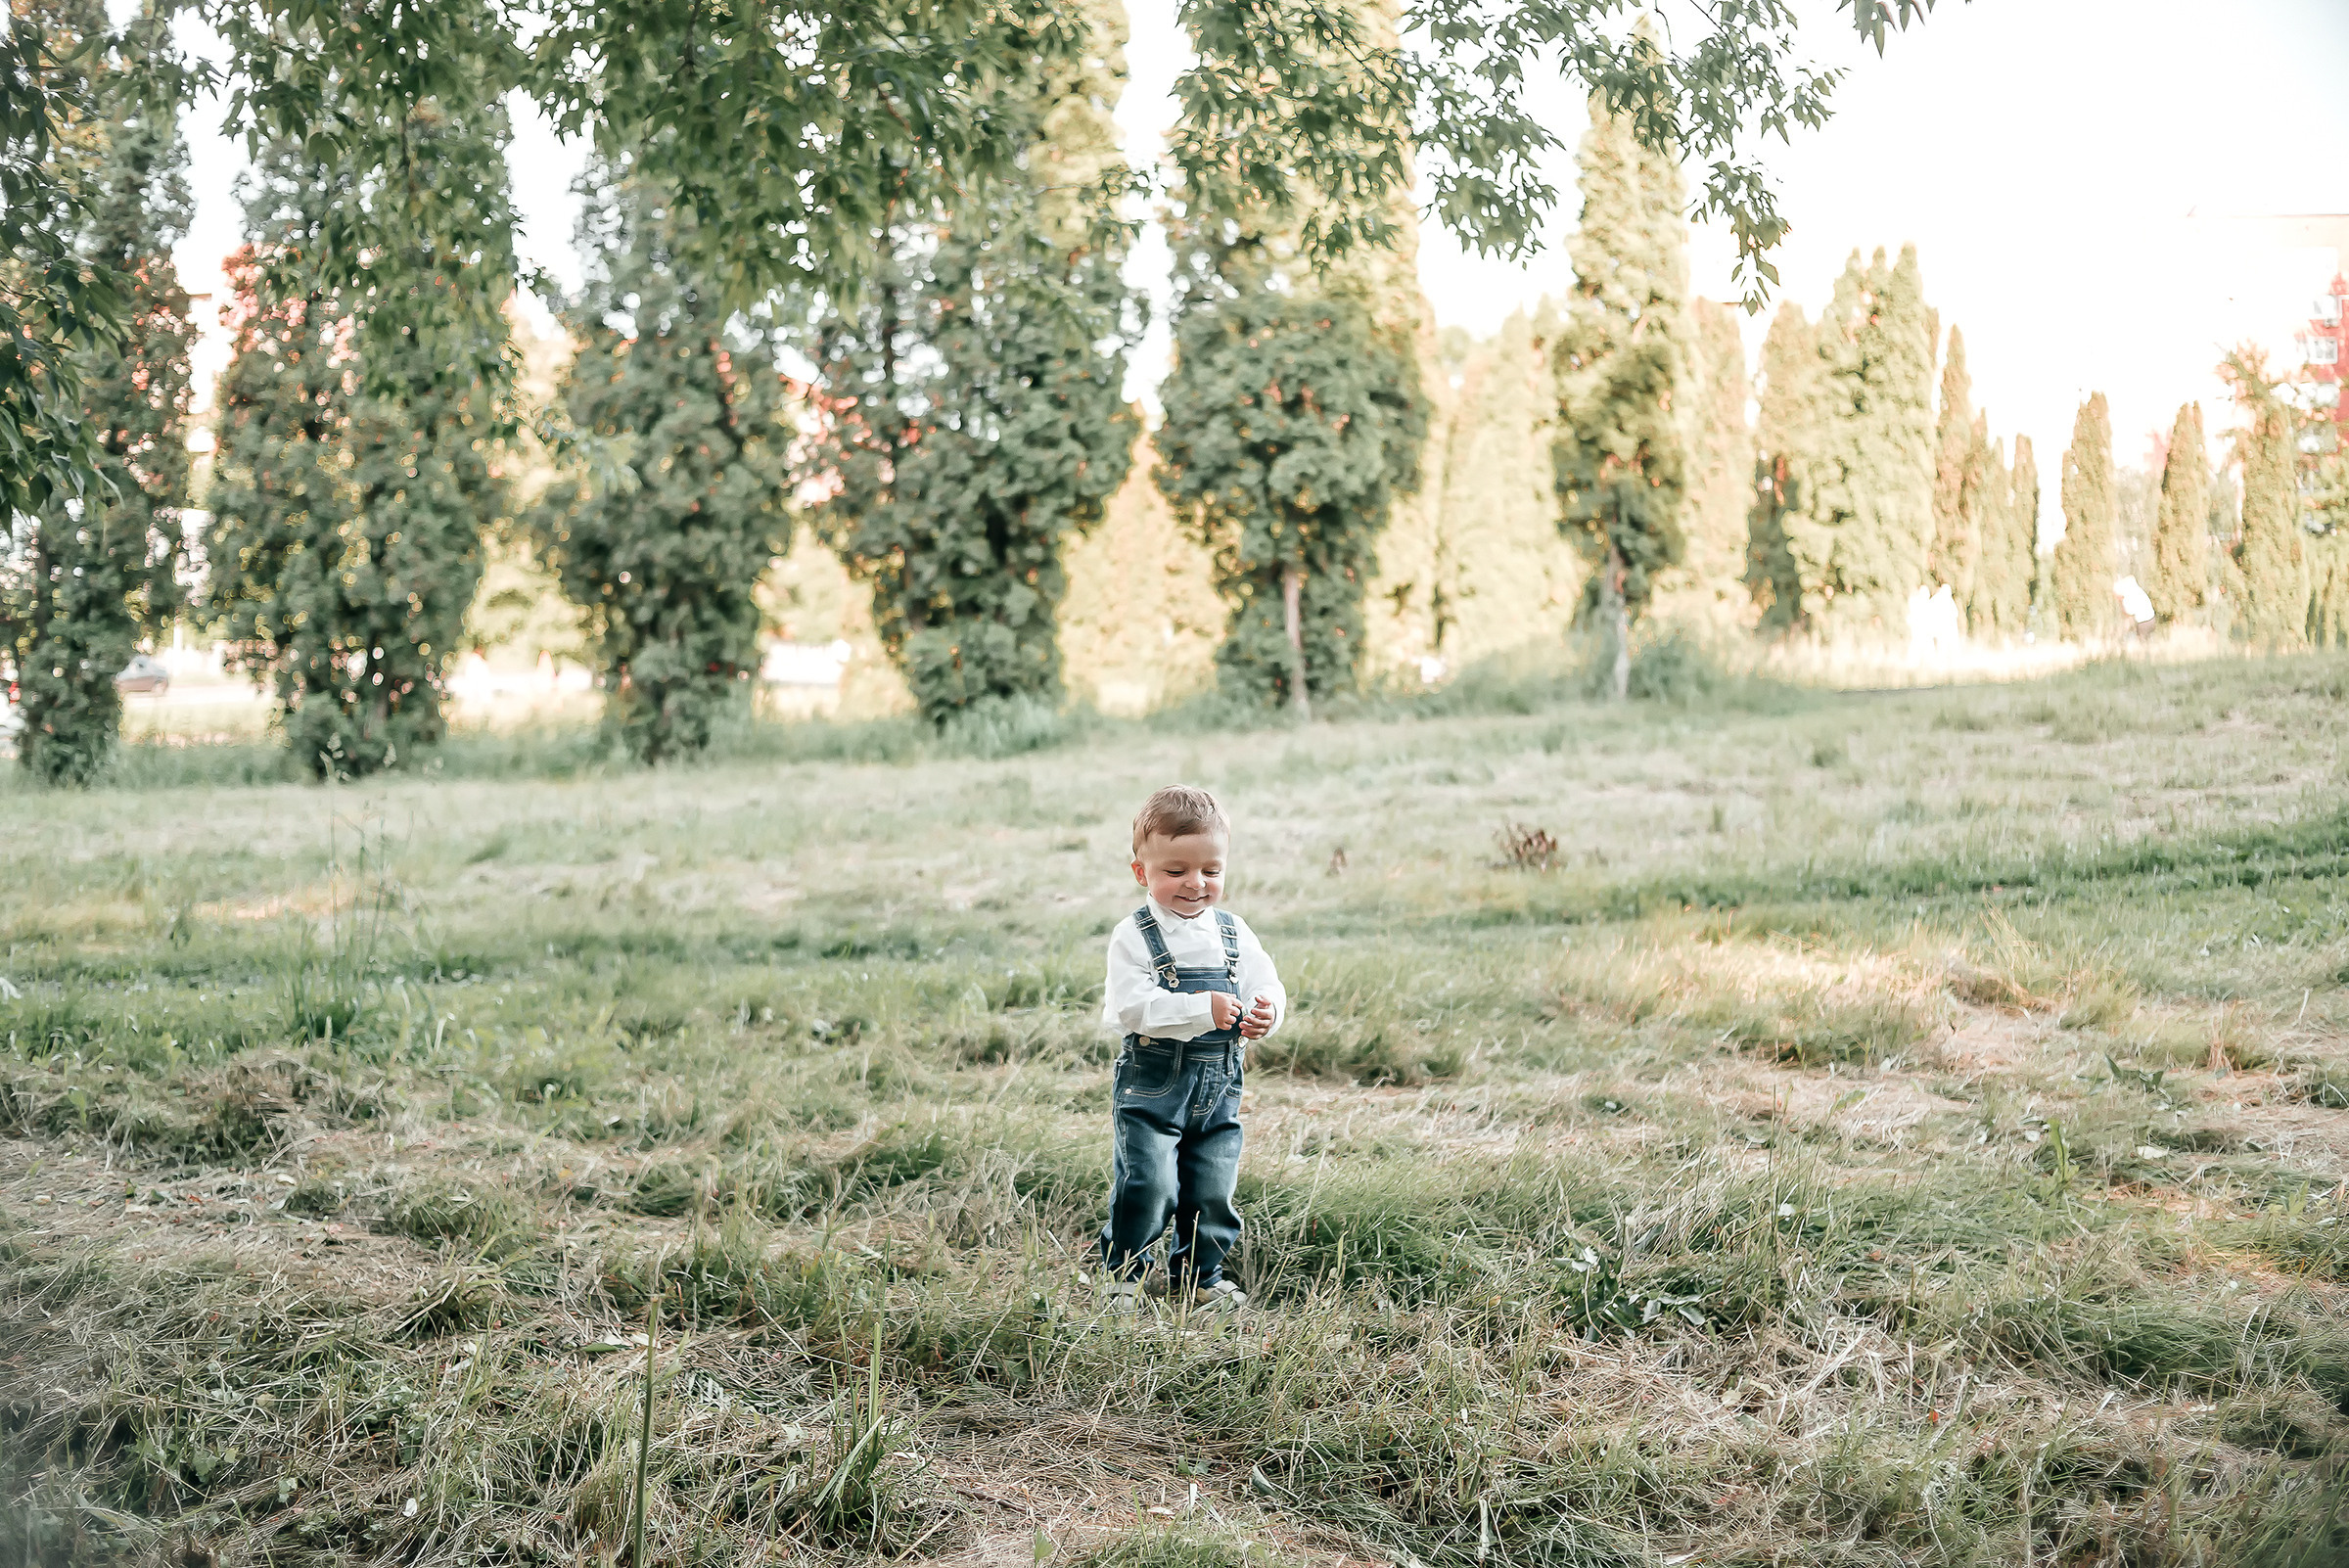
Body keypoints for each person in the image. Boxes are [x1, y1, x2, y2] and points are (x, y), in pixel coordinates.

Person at [1096, 784, 1285, 1315]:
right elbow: (1130, 1008)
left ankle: (1200, 1275)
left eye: (1211, 870)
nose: (1195, 883)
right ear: (1141, 873)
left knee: (1211, 1186)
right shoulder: (1134, 935)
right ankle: (1124, 1274)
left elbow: (1264, 981)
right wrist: (1202, 1009)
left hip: (1218, 1088)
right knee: (1149, 1182)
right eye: (1175, 870)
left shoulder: (1233, 932)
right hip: (1154, 1085)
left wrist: (1267, 1008)